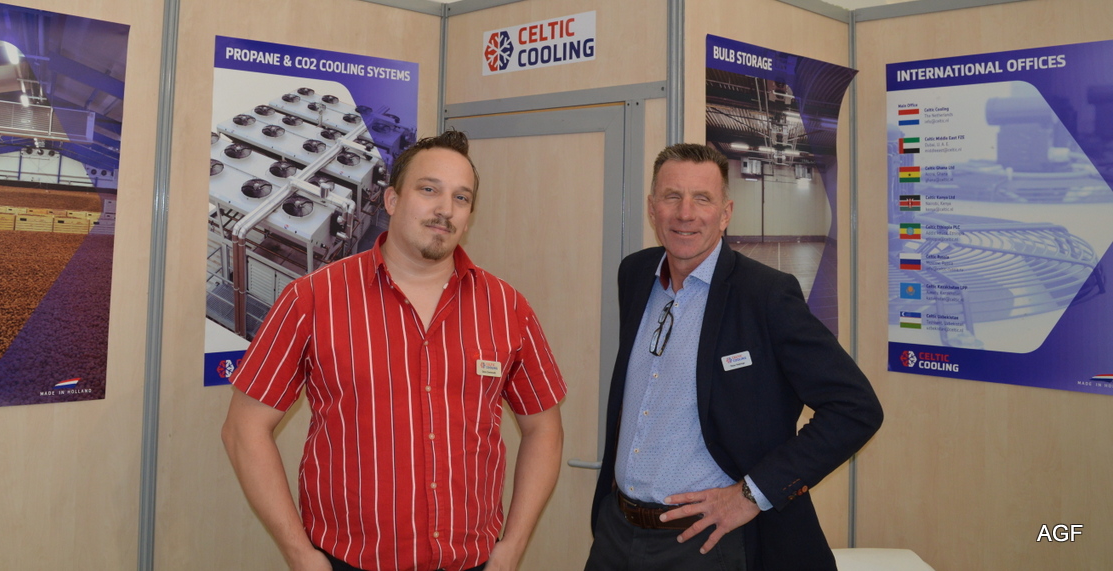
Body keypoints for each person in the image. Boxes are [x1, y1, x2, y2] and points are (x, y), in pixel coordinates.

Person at [222, 130, 566, 571]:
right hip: (349, 561)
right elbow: (244, 430)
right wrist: (300, 555)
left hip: (472, 562)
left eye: (461, 198)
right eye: (429, 190)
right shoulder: (312, 299)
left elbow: (544, 430)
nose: (445, 209)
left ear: (469, 216)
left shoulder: (506, 307)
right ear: (391, 200)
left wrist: (512, 548)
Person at [586, 143, 882, 571]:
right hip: (617, 533)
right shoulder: (635, 274)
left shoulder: (765, 295)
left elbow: (855, 408)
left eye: (702, 199)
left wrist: (751, 494)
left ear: (725, 213)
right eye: (672, 196)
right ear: (652, 208)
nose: (685, 213)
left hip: (706, 543)